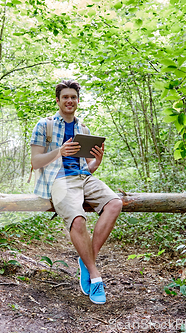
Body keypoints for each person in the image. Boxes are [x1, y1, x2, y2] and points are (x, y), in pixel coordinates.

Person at [30, 79, 122, 304]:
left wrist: (96, 163)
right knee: (78, 220)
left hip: (84, 178)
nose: (69, 101)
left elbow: (86, 167)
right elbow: (35, 161)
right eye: (65, 97)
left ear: (78, 101)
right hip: (58, 180)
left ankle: (85, 257)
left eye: (73, 97)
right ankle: (95, 275)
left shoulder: (83, 129)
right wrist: (58, 152)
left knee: (115, 203)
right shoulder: (45, 125)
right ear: (58, 100)